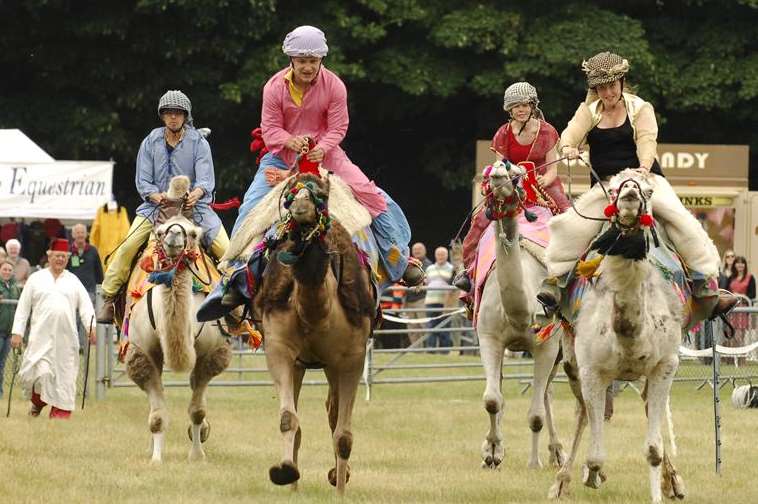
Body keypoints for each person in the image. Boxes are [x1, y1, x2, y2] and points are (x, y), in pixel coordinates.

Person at [537, 51, 735, 319]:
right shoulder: (588, 111)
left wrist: (643, 167)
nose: (607, 92)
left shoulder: (641, 108)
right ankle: (556, 284)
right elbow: (569, 136)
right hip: (607, 187)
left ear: (621, 82)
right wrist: (570, 148)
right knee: (571, 225)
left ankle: (706, 288)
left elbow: (647, 141)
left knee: (682, 221)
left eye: (612, 86)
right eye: (601, 88)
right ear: (594, 89)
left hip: (644, 179)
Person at [231, 25, 422, 287]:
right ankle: (234, 271)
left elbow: (339, 127)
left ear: (321, 59)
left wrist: (323, 146)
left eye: (313, 61)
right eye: (302, 61)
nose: (307, 67)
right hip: (282, 158)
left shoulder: (335, 86)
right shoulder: (273, 87)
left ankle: (398, 260)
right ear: (291, 60)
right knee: (251, 204)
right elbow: (270, 128)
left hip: (328, 156)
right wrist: (290, 140)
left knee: (371, 195)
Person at [97, 90, 230, 323]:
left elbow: (206, 180)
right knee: (127, 247)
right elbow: (143, 181)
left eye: (178, 113)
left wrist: (196, 194)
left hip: (195, 208)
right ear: (162, 115)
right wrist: (155, 195)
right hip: (155, 208)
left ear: (185, 115)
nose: (173, 118)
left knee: (227, 248)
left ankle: (236, 300)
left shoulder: (199, 142)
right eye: (168, 113)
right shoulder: (150, 141)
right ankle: (109, 299)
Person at [455, 82, 569, 294]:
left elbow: (553, 167)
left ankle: (575, 268)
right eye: (516, 106)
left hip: (542, 184)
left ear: (533, 105)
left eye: (525, 104)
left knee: (568, 215)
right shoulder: (503, 133)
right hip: (511, 185)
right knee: (480, 220)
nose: (521, 109)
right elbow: (500, 166)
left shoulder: (548, 131)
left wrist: (547, 179)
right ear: (510, 109)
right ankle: (468, 271)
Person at [10, 239, 95, 419]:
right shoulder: (36, 279)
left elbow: (86, 306)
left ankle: (59, 415)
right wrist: (17, 332)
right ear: (49, 256)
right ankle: (38, 402)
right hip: (40, 338)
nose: (60, 260)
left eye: (64, 257)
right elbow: (23, 308)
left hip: (66, 340)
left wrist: (90, 327)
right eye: (57, 256)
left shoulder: (73, 281)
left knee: (64, 378)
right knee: (39, 375)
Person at [67, 224, 104, 348]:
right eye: (77, 232)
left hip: (90, 292)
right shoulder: (68, 251)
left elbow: (99, 272)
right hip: (71, 291)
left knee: (86, 319)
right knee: (72, 319)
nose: (80, 235)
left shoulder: (93, 250)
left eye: (82, 232)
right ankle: (73, 346)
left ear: (86, 234)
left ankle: (84, 347)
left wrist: (101, 288)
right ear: (73, 235)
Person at [424, 247, 455, 353]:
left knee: (445, 326)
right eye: (438, 254)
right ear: (435, 255)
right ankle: (431, 350)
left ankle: (444, 351)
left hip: (446, 302)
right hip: (431, 301)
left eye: (443, 254)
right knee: (431, 326)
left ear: (447, 256)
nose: (440, 257)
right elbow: (426, 283)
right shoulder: (429, 268)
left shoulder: (452, 269)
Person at [404, 242, 432, 345]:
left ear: (425, 251)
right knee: (412, 328)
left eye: (419, 249)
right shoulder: (408, 264)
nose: (417, 251)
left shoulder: (428, 265)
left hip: (422, 299)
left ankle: (426, 350)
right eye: (415, 249)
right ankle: (416, 351)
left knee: (423, 326)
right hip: (408, 301)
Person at [0, 260, 21, 398]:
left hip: (9, 332)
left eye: (9, 270)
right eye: (4, 269)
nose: (7, 272)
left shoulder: (15, 287)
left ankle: (0, 393)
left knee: (2, 363)